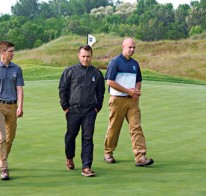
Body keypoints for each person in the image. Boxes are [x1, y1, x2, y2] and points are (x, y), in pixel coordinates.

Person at [104, 37, 154, 167]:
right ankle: (108, 152)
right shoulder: (115, 62)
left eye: (134, 47)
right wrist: (128, 91)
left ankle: (140, 156)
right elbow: (110, 82)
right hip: (117, 100)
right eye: (129, 47)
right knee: (114, 127)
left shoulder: (135, 64)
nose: (132, 50)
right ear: (123, 46)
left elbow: (138, 80)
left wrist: (136, 92)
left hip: (132, 101)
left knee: (136, 127)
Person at [59, 45, 105, 177]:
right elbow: (63, 89)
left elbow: (100, 92)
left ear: (91, 56)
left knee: (88, 137)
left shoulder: (96, 73)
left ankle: (86, 166)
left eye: (88, 56)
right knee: (71, 136)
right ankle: (69, 157)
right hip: (73, 110)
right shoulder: (70, 71)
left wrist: (98, 107)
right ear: (79, 56)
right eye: (83, 56)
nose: (85, 59)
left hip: (90, 111)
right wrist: (65, 107)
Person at [0, 41, 24, 181]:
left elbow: (19, 89)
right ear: (2, 52)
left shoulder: (17, 69)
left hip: (12, 106)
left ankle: (3, 158)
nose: (13, 53)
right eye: (10, 51)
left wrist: (20, 106)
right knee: (1, 137)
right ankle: (4, 168)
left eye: (13, 51)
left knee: (10, 137)